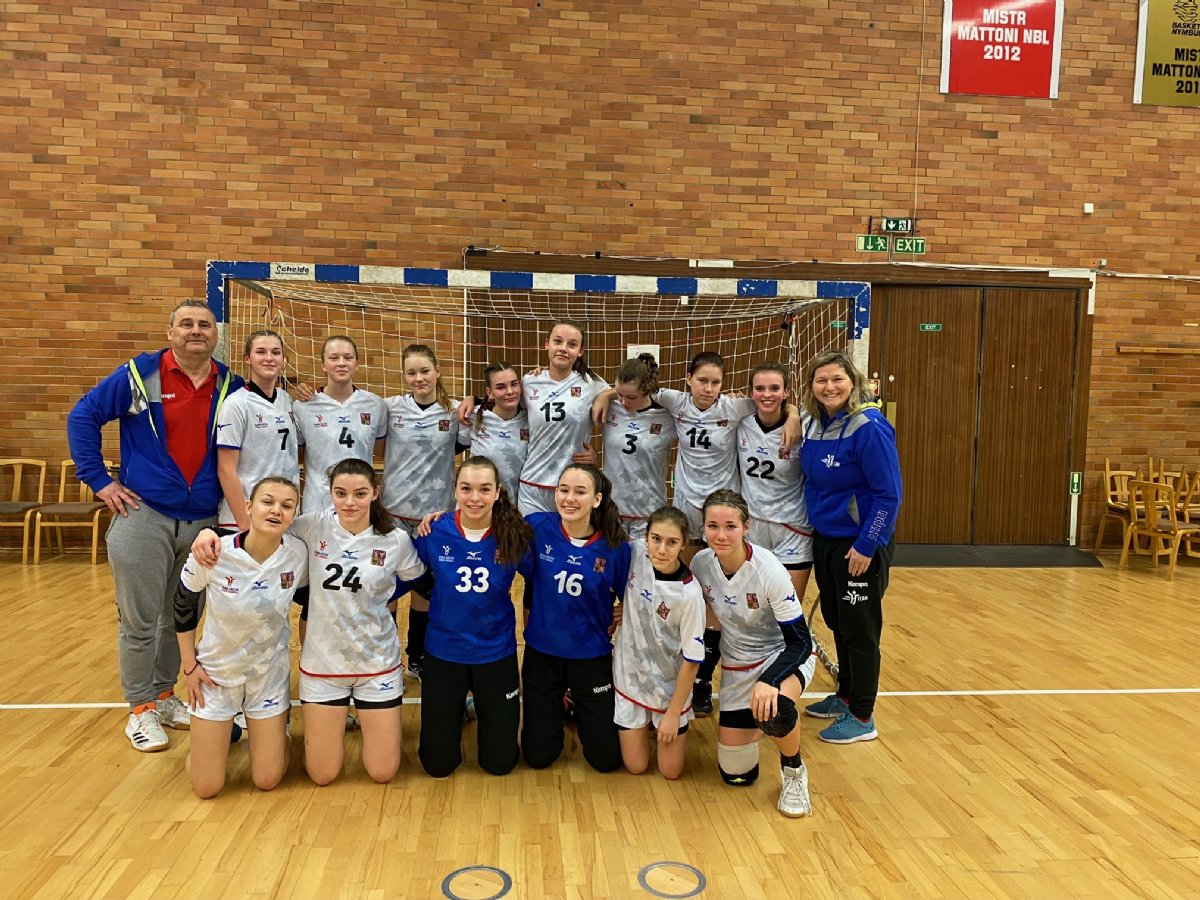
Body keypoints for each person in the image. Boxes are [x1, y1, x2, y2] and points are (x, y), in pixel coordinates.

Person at [66, 299, 242, 752]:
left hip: (203, 522)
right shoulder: (139, 375)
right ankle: (140, 709)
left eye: (205, 325)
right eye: (186, 324)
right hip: (144, 515)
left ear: (216, 334)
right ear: (170, 332)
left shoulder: (230, 384)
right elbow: (83, 415)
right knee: (140, 621)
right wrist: (99, 481)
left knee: (179, 616)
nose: (196, 331)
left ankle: (164, 696)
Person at [193, 457, 426, 784]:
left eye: (360, 494)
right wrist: (211, 532)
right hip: (323, 666)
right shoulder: (311, 526)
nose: (350, 502)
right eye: (341, 493)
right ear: (330, 493)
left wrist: (381, 591)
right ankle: (276, 740)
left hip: (377, 663)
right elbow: (263, 528)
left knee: (383, 771)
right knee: (322, 774)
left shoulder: (395, 539)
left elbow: (418, 580)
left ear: (375, 493)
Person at [399, 457, 534, 777]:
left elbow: (542, 580)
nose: (475, 497)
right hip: (444, 652)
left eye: (484, 489)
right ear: (455, 491)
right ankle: (461, 708)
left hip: (495, 652)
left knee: (500, 764)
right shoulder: (434, 531)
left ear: (498, 492)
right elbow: (404, 576)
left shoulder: (514, 534)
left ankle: (480, 705)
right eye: (466, 489)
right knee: (437, 765)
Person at [174, 477, 306, 797]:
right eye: (267, 502)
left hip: (267, 675)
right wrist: (190, 666)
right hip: (216, 674)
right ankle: (215, 739)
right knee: (207, 787)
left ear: (294, 514)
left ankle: (278, 734)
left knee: (267, 779)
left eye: (287, 505)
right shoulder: (213, 552)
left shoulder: (298, 554)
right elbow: (183, 604)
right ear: (248, 506)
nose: (276, 510)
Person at [689, 489, 817, 817]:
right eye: (713, 526)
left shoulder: (768, 569)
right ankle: (759, 723)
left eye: (730, 526)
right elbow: (703, 624)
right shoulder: (701, 564)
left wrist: (770, 680)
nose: (721, 535)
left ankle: (794, 770)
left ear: (747, 527)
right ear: (703, 528)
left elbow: (801, 642)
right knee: (737, 775)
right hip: (738, 663)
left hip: (783, 654)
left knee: (776, 708)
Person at [799, 350, 901, 745]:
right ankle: (845, 695)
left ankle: (862, 714)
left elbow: (889, 494)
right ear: (812, 386)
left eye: (837, 379)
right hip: (826, 538)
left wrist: (867, 544)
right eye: (821, 380)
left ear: (853, 381)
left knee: (860, 629)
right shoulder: (814, 423)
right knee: (838, 620)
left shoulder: (869, 427)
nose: (830, 387)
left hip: (860, 543)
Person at [521, 463, 631, 773]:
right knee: (538, 758)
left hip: (591, 655)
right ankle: (563, 703)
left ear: (596, 499)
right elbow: (490, 528)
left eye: (580, 492)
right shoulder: (537, 527)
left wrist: (624, 609)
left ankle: (573, 701)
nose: (569, 498)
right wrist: (439, 519)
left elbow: (631, 594)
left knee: (606, 761)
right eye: (563, 490)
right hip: (543, 654)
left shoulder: (614, 547)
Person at [381, 343, 469, 682]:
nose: (419, 378)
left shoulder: (455, 411)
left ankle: (417, 656)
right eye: (411, 372)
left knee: (425, 589)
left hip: (434, 517)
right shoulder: (390, 408)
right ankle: (387, 656)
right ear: (404, 376)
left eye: (424, 371)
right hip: (393, 514)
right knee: (388, 588)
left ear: (437, 371)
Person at [458, 320, 608, 516]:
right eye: (557, 341)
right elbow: (503, 398)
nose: (563, 348)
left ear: (580, 351)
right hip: (532, 486)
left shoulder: (592, 384)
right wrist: (473, 399)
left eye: (572, 344)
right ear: (547, 344)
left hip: (571, 485)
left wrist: (607, 395)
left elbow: (626, 393)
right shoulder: (529, 382)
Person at [612, 506, 705, 780]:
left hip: (668, 689)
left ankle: (664, 722)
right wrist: (617, 608)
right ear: (646, 537)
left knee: (670, 772)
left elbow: (692, 660)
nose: (661, 549)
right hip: (630, 679)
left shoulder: (689, 595)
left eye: (671, 542)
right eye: (656, 539)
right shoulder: (635, 553)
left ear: (683, 544)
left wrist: (673, 714)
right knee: (636, 766)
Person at [736, 362, 813, 603]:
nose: (767, 394)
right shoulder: (740, 422)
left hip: (792, 529)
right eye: (759, 388)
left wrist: (794, 415)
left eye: (774, 388)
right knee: (751, 607)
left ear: (786, 392)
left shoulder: (803, 427)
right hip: (753, 526)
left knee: (788, 609)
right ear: (751, 392)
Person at [215, 330, 301, 531]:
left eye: (276, 352)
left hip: (280, 514)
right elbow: (226, 470)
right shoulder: (236, 404)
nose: (269, 358)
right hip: (245, 519)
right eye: (261, 352)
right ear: (248, 359)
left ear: (284, 360)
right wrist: (245, 524)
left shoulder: (285, 399)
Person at [292, 335, 387, 516]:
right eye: (334, 358)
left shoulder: (376, 405)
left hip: (359, 505)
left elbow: (380, 451)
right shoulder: (302, 406)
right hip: (318, 506)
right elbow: (298, 456)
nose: (341, 363)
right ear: (323, 364)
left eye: (348, 357)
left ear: (357, 364)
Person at [600, 354, 677, 541]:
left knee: (643, 560)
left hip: (648, 509)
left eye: (631, 397)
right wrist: (604, 395)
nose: (623, 401)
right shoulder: (609, 407)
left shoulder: (667, 416)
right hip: (612, 510)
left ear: (646, 391)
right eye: (619, 394)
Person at [462, 362, 529, 503]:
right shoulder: (473, 416)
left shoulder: (531, 419)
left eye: (514, 384)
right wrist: (471, 398)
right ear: (490, 393)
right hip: (479, 504)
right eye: (501, 387)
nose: (510, 391)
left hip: (516, 507)